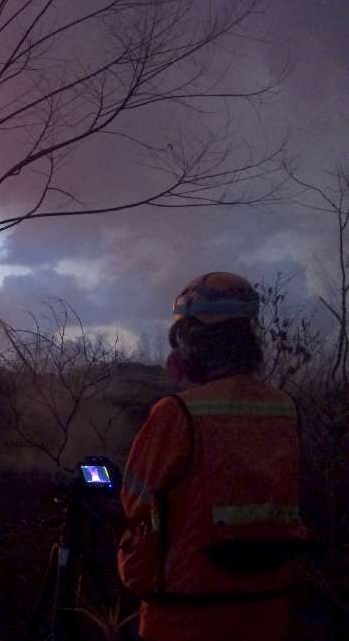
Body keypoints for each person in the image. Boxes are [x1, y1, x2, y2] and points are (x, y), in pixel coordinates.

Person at [118, 272, 309, 641]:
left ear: (191, 344)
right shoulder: (285, 408)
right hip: (268, 610)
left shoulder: (177, 413)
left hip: (185, 616)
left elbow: (134, 503)